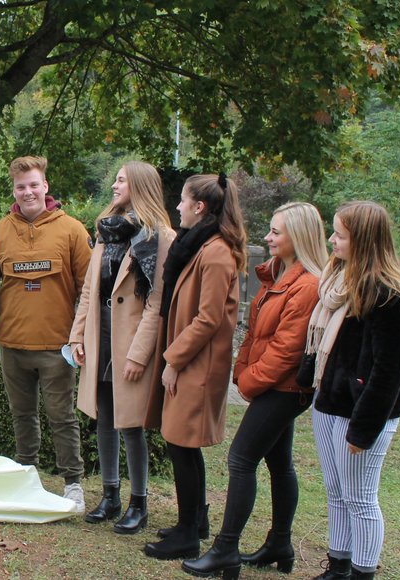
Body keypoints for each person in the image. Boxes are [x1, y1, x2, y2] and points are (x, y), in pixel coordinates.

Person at [182, 202, 326, 577]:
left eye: (276, 232)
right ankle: (280, 543)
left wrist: (248, 380)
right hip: (272, 385)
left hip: (284, 388)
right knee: (280, 463)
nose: (267, 237)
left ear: (299, 236)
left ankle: (226, 549)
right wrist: (244, 369)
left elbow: (286, 350)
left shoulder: (307, 285)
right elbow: (256, 333)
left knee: (241, 459)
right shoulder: (279, 274)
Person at [306, 201, 400, 580]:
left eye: (339, 234)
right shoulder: (339, 281)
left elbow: (389, 372)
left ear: (364, 240)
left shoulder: (391, 296)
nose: (331, 240)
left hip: (361, 413)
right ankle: (338, 567)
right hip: (329, 403)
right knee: (336, 492)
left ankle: (361, 572)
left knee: (360, 498)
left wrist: (363, 429)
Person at [144, 173, 246, 561]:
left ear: (199, 207)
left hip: (197, 366)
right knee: (182, 443)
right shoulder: (202, 246)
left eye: (183, 200)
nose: (177, 207)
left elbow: (208, 319)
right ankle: (194, 521)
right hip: (192, 361)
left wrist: (173, 359)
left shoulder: (216, 253)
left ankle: (188, 533)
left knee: (181, 444)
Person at [69, 161, 174, 534]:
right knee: (103, 417)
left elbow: (157, 302)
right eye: (115, 179)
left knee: (130, 423)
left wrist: (139, 354)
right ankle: (110, 495)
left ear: (140, 186)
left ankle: (138, 503)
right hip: (100, 334)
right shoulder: (106, 230)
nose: (114, 185)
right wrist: (77, 335)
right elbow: (89, 289)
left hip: (130, 338)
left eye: (121, 180)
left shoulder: (160, 236)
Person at [0, 155, 92, 511]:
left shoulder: (72, 230)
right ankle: (26, 476)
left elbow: (89, 290)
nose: (28, 192)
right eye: (21, 187)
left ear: (45, 186)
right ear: (14, 191)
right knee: (22, 416)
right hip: (13, 344)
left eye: (34, 185)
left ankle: (73, 484)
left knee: (62, 417)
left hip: (57, 347)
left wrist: (82, 336)